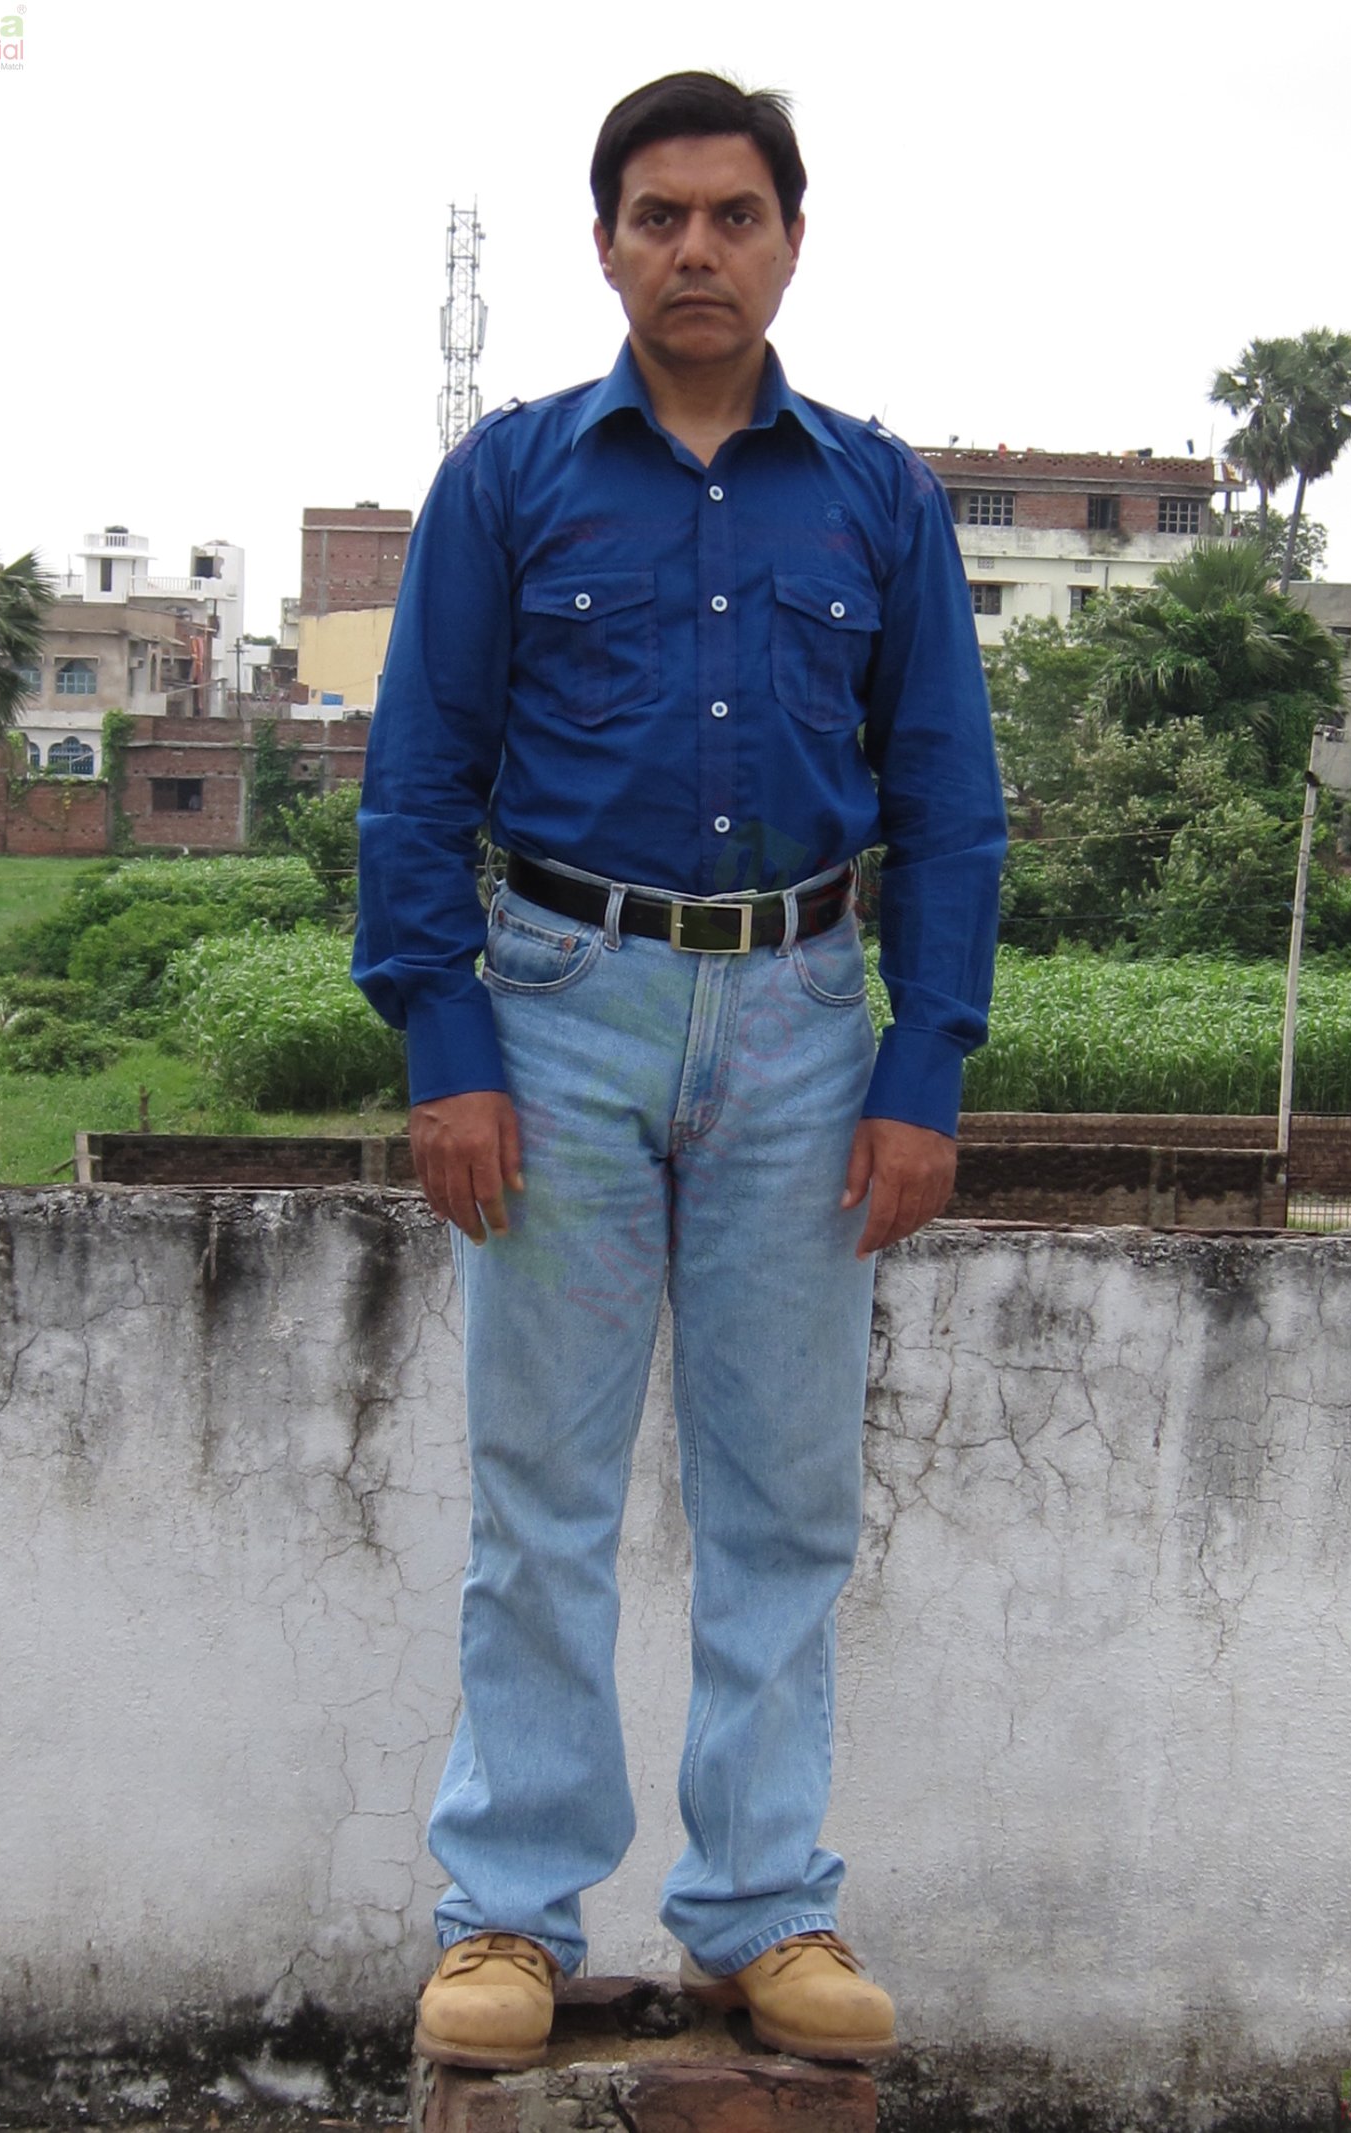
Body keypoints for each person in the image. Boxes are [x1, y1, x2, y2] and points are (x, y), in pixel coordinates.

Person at [353, 70, 1006, 2072]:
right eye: (659, 216)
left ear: (789, 242)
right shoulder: (511, 481)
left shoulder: (877, 497)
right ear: (606, 246)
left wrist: (922, 1064)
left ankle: (762, 1906)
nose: (696, 249)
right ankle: (508, 1913)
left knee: (784, 1496)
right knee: (542, 1493)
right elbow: (417, 779)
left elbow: (947, 799)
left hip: (805, 1021)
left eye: (734, 215)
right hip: (558, 1007)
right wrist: (448, 1043)